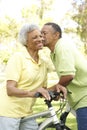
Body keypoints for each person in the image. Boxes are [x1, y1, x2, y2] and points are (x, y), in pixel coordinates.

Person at [0, 23, 66, 130]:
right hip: (8, 111)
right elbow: (10, 90)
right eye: (35, 37)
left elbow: (42, 90)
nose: (40, 39)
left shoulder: (43, 61)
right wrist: (32, 93)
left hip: (26, 111)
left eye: (40, 36)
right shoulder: (18, 58)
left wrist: (57, 88)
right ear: (26, 42)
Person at [41, 22, 87, 130]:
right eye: (40, 33)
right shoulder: (54, 52)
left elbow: (68, 75)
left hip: (84, 98)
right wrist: (59, 88)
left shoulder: (62, 46)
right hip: (78, 97)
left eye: (44, 33)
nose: (41, 36)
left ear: (56, 35)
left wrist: (49, 90)